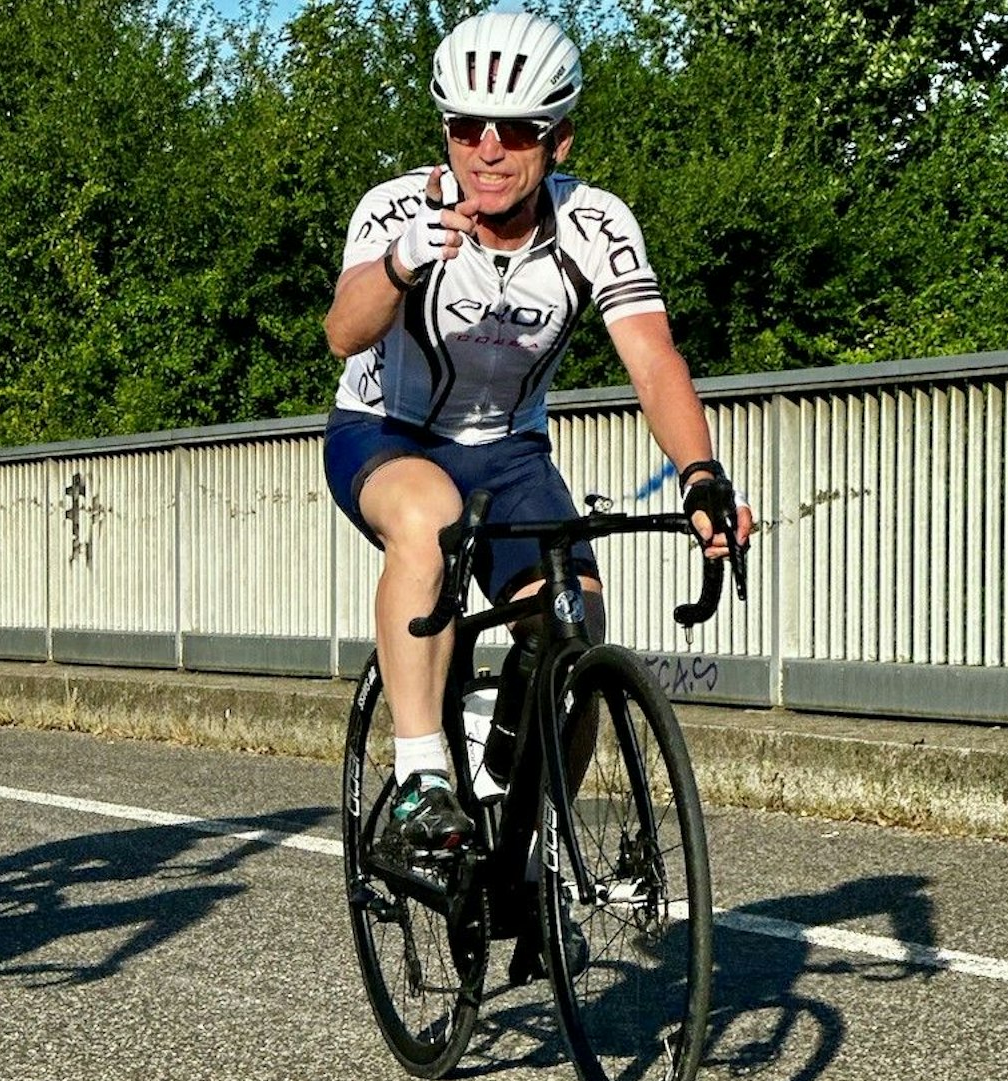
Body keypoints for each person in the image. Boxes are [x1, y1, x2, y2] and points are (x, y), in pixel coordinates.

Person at [322, 13, 752, 852]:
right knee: (430, 515)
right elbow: (344, 330)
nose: (486, 147)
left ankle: (528, 846)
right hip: (386, 434)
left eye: (515, 128)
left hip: (510, 449)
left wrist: (700, 473)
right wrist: (402, 261)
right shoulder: (396, 208)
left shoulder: (596, 222)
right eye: (464, 126)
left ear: (557, 140)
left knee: (572, 627)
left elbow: (652, 357)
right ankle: (422, 779)